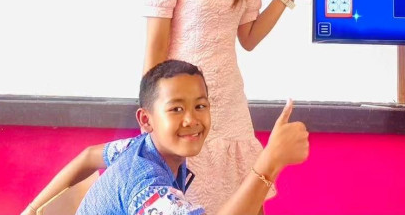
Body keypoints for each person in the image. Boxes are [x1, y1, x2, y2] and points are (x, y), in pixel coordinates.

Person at [143, 0, 312, 214]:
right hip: (185, 102)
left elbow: (249, 38)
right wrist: (155, 114)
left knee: (249, 191)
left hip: (230, 100)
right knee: (189, 198)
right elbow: (155, 53)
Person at [21, 60, 309, 215]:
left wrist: (33, 210)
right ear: (146, 120)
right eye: (176, 109)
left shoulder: (139, 147)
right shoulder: (147, 187)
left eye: (200, 106)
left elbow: (88, 156)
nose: (191, 119)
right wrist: (269, 162)